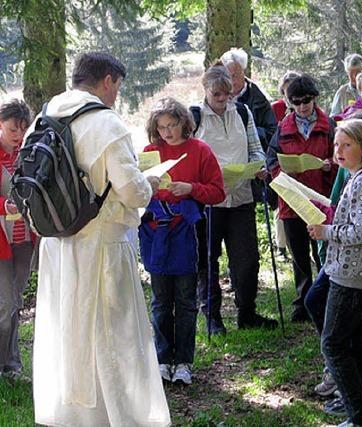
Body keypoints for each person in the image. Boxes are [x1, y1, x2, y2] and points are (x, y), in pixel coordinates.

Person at [32, 52, 170, 426]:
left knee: (67, 329)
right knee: (113, 334)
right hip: (102, 243)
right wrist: (151, 183)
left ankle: (71, 413)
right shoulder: (105, 123)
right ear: (107, 80)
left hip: (59, 241)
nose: (116, 95)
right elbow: (131, 190)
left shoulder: (45, 117)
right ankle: (118, 415)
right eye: (117, 86)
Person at [140, 97, 226, 385]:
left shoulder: (200, 150)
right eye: (162, 127)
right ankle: (163, 360)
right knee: (161, 301)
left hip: (187, 232)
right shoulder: (151, 152)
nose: (167, 133)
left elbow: (217, 192)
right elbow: (138, 194)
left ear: (184, 123)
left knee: (186, 300)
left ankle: (184, 362)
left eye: (172, 125)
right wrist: (147, 188)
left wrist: (191, 188)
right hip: (156, 233)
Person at [308, 118, 362, 427]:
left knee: (334, 345)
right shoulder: (357, 177)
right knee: (356, 346)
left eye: (346, 145)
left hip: (354, 274)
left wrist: (326, 231)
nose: (338, 151)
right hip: (352, 272)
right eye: (336, 145)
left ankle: (359, 415)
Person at [195, 65, 278, 334]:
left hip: (241, 196)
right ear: (206, 90)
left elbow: (255, 147)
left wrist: (259, 166)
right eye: (217, 94)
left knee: (247, 259)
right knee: (208, 259)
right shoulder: (193, 116)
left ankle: (247, 313)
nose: (223, 99)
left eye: (228, 94)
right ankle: (213, 317)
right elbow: (188, 156)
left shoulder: (242, 112)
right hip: (209, 201)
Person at [267, 74, 337, 322]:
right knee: (298, 255)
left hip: (320, 197)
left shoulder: (329, 126)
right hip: (292, 201)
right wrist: (281, 171)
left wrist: (331, 165)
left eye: (307, 100)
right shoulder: (283, 128)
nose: (302, 106)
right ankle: (303, 301)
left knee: (324, 251)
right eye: (296, 102)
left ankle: (326, 297)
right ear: (289, 103)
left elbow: (341, 158)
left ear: (315, 98)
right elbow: (271, 161)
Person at [0, 99, 33, 382]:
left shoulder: (29, 153)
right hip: (2, 242)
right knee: (4, 303)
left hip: (25, 239)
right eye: (12, 129)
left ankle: (12, 365)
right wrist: (4, 207)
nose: (17, 135)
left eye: (22, 130)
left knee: (14, 302)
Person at [221, 47, 278, 151]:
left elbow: (272, 132)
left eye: (235, 75)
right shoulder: (217, 98)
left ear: (244, 71)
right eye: (228, 77)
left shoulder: (259, 99)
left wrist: (248, 133)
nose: (232, 81)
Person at [271, 71, 302, 258]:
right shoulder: (275, 108)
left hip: (306, 171)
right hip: (284, 168)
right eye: (287, 92)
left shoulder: (307, 108)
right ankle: (281, 247)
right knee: (282, 209)